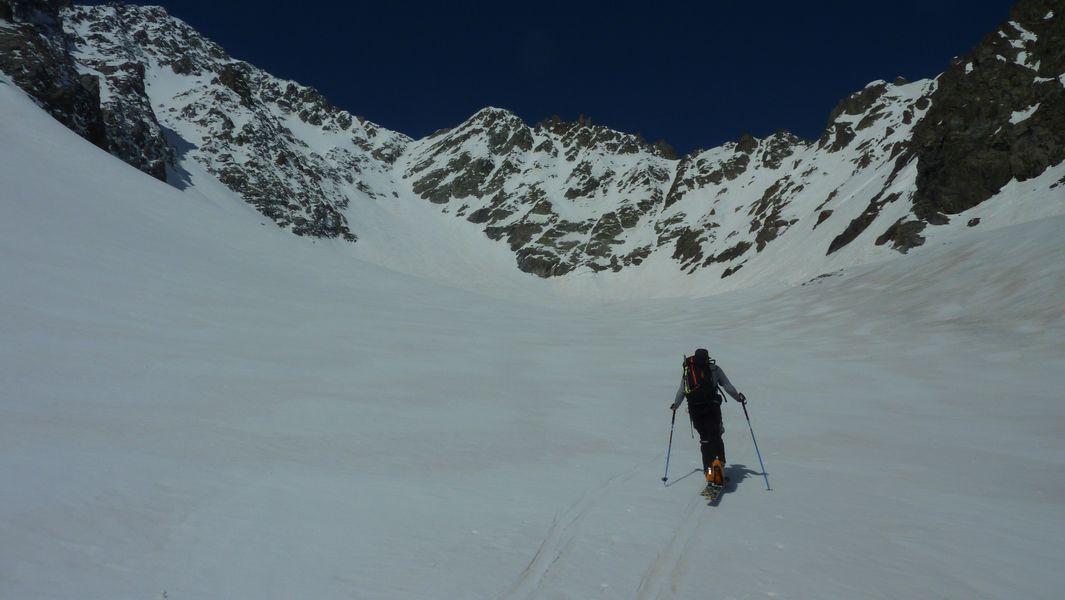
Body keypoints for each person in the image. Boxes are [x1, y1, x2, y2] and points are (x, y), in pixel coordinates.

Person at [669, 348, 746, 486]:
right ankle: (718, 464)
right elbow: (727, 386)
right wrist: (738, 398)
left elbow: (682, 389)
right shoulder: (714, 369)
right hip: (712, 408)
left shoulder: (688, 370)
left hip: (694, 409)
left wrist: (676, 404)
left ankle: (708, 471)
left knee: (704, 439)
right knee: (716, 435)